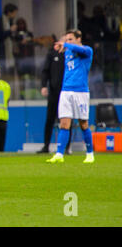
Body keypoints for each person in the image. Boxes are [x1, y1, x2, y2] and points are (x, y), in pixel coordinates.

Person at [46, 30, 94, 164]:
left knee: (83, 123)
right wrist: (62, 47)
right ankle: (59, 154)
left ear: (79, 39)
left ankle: (90, 154)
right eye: (67, 39)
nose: (68, 42)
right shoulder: (67, 52)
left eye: (71, 39)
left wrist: (66, 44)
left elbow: (80, 49)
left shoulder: (87, 51)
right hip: (66, 91)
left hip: (81, 92)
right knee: (64, 123)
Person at [37, 36, 72, 154]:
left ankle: (67, 147)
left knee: (66, 120)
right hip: (54, 92)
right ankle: (46, 146)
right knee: (50, 119)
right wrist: (43, 86)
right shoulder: (52, 54)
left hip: (67, 93)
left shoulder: (71, 55)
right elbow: (45, 71)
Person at [0, 3, 18, 75]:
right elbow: (0, 36)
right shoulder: (1, 21)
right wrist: (10, 30)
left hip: (9, 50)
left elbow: (12, 36)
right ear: (9, 12)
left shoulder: (10, 21)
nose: (15, 15)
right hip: (2, 50)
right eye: (14, 13)